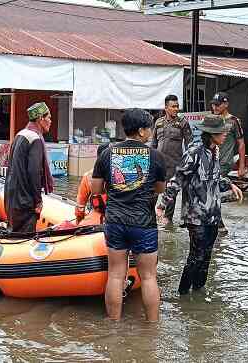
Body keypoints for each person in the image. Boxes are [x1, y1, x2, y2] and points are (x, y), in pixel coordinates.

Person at [90, 108, 166, 322]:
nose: (151, 132)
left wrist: (117, 190)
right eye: (149, 128)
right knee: (149, 277)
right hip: (144, 223)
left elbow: (96, 189)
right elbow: (160, 189)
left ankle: (113, 323)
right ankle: (152, 327)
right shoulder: (155, 156)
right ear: (141, 131)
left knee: (115, 275)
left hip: (115, 221)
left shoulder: (107, 153)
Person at [156, 115, 244, 294]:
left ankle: (198, 292)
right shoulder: (193, 153)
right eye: (222, 131)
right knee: (196, 256)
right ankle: (182, 294)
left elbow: (213, 178)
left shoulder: (215, 152)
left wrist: (230, 184)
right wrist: (162, 205)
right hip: (195, 215)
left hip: (212, 213)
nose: (226, 134)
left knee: (207, 256)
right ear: (212, 134)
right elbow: (177, 180)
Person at [4, 102, 54, 233]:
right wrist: (38, 201)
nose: (50, 121)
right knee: (23, 239)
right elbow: (34, 172)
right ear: (40, 119)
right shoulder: (35, 138)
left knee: (14, 233)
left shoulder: (20, 134)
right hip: (24, 200)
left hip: (12, 196)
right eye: (48, 117)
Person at [150, 94, 192, 224]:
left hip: (175, 164)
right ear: (166, 108)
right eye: (173, 106)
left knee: (171, 192)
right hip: (159, 164)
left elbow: (189, 145)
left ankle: (168, 218)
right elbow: (153, 144)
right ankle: (150, 216)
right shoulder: (158, 122)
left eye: (177, 106)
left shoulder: (183, 123)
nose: (176, 109)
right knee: (153, 191)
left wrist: (187, 164)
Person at [209, 92, 246, 179]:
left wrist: (241, 166)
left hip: (224, 164)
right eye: (213, 105)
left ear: (226, 104)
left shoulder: (233, 121)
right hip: (210, 162)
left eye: (218, 105)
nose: (215, 107)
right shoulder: (210, 119)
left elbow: (241, 144)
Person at [75, 143, 110, 225]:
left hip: (97, 219)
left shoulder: (88, 177)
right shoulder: (123, 176)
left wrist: (78, 222)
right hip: (118, 221)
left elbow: (80, 206)